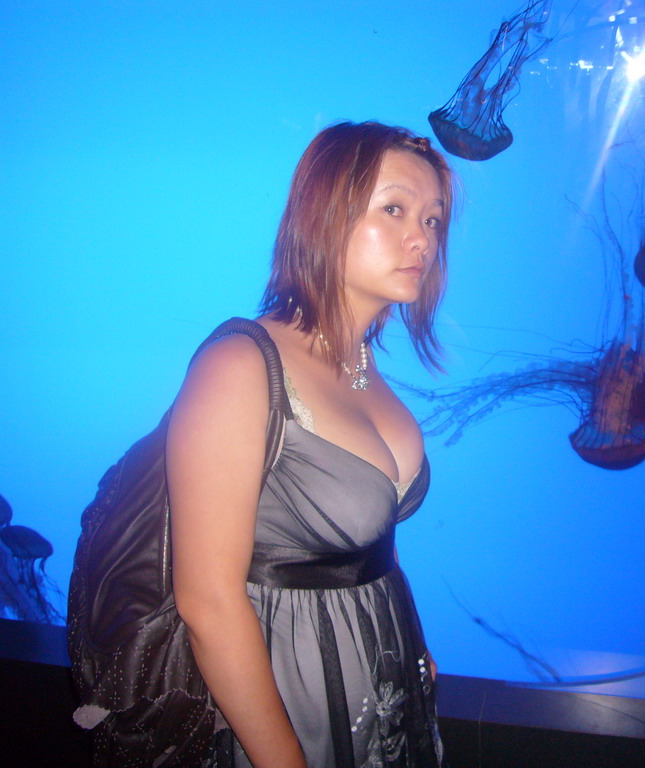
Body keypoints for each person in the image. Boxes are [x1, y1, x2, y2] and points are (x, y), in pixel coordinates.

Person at [166, 121, 454, 768]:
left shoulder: (362, 366)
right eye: (395, 209)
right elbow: (208, 600)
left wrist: (414, 643)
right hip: (292, 693)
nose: (422, 238)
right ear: (325, 214)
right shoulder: (241, 365)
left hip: (387, 685)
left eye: (434, 220)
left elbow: (365, 545)